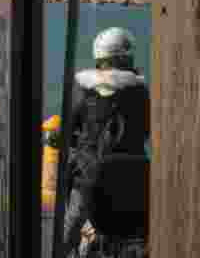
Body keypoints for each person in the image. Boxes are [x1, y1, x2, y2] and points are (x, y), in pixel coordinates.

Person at [60, 26, 150, 255]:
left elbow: (69, 130)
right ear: (127, 57)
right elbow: (147, 129)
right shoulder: (140, 91)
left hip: (90, 174)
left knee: (70, 224)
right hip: (133, 175)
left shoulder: (83, 90)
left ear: (99, 57)